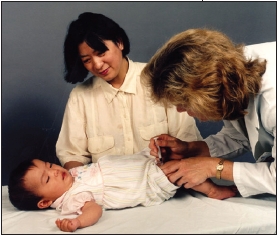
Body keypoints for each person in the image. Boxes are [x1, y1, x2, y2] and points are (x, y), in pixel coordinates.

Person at [56, 12, 202, 170]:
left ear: (119, 42)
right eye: (87, 60)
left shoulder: (160, 80)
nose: (97, 65)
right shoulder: (80, 97)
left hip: (168, 187)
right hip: (108, 192)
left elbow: (188, 141)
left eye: (101, 53)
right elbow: (72, 155)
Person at [141, 28, 276, 197]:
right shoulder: (230, 74)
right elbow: (241, 136)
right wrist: (190, 149)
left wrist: (213, 167)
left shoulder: (273, 101)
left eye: (183, 103)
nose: (180, 110)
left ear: (205, 94)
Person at [8, 149, 236, 232]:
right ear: (45, 203)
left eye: (50, 165)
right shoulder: (72, 199)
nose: (55, 170)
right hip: (143, 183)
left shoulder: (72, 176)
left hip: (138, 165)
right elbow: (93, 209)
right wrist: (77, 223)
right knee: (179, 170)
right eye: (48, 178)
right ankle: (212, 190)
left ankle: (215, 177)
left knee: (177, 156)